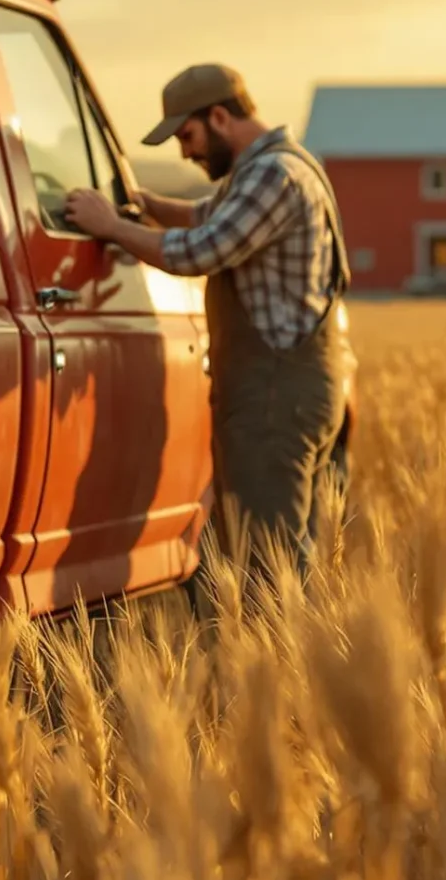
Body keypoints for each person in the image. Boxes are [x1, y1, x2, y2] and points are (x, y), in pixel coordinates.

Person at [63, 62, 352, 581]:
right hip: (291, 393)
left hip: (274, 401)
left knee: (269, 571)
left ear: (220, 116)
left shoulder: (272, 176)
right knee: (282, 559)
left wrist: (110, 226)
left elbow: (200, 250)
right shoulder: (284, 165)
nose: (184, 152)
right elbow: (205, 217)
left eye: (187, 134)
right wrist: (145, 204)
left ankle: (278, 662)